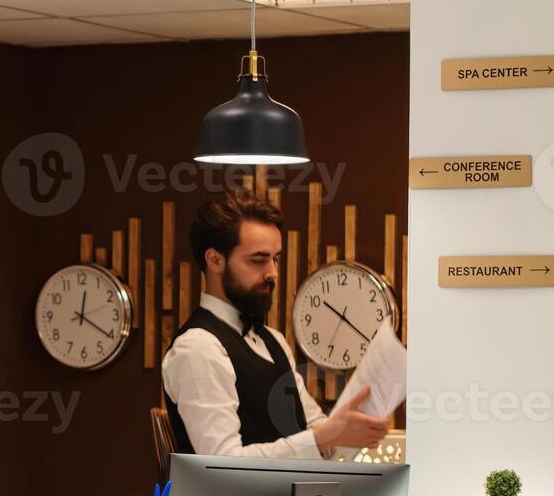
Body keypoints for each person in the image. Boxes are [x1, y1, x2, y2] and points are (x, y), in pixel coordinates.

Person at [162, 191, 389, 459]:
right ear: (215, 260)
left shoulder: (274, 340)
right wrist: (323, 437)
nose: (273, 273)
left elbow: (316, 433)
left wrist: (346, 428)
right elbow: (222, 462)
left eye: (276, 258)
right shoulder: (198, 347)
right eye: (258, 260)